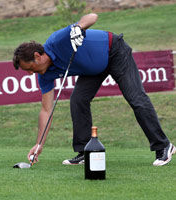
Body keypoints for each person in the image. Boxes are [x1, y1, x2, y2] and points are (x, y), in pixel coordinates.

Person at [12, 13, 175, 166]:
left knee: (135, 98)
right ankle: (85, 152)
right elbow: (46, 111)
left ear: (37, 56)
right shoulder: (44, 75)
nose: (31, 73)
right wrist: (39, 144)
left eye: (30, 68)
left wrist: (77, 28)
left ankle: (163, 146)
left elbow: (92, 17)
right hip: (93, 69)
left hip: (115, 51)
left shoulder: (57, 40)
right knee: (78, 100)